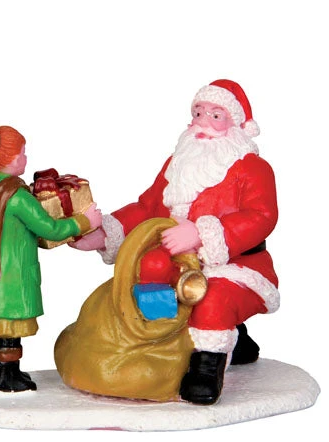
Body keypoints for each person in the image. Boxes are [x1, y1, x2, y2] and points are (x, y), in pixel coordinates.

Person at [74, 79, 279, 405]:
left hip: (235, 266)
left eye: (216, 115)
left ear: (237, 125)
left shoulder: (253, 169)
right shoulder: (178, 164)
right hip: (175, 262)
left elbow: (261, 216)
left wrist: (201, 233)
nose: (203, 122)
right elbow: (147, 208)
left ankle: (206, 367)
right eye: (198, 112)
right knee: (141, 284)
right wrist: (105, 234)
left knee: (211, 298)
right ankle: (155, 347)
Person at [0, 125, 102, 392]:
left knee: (4, 330)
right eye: (22, 153)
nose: (25, 158)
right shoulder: (17, 197)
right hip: (12, 276)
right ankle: (7, 377)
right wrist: (85, 221)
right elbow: (50, 229)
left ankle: (8, 372)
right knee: (10, 330)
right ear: (11, 159)